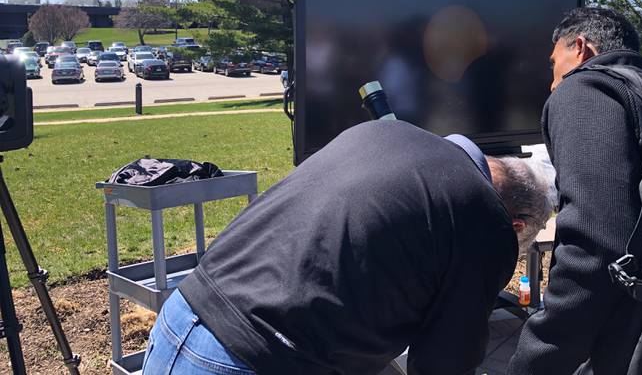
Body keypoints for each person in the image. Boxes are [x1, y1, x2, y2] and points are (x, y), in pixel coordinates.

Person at [142, 119, 553, 375]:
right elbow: (444, 362)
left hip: (182, 312)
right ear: (515, 224)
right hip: (256, 359)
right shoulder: (486, 223)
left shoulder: (385, 133)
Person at [508, 7, 642, 375]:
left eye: (553, 63)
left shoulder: (584, 88)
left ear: (580, 48)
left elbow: (594, 249)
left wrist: (537, 360)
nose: (552, 82)